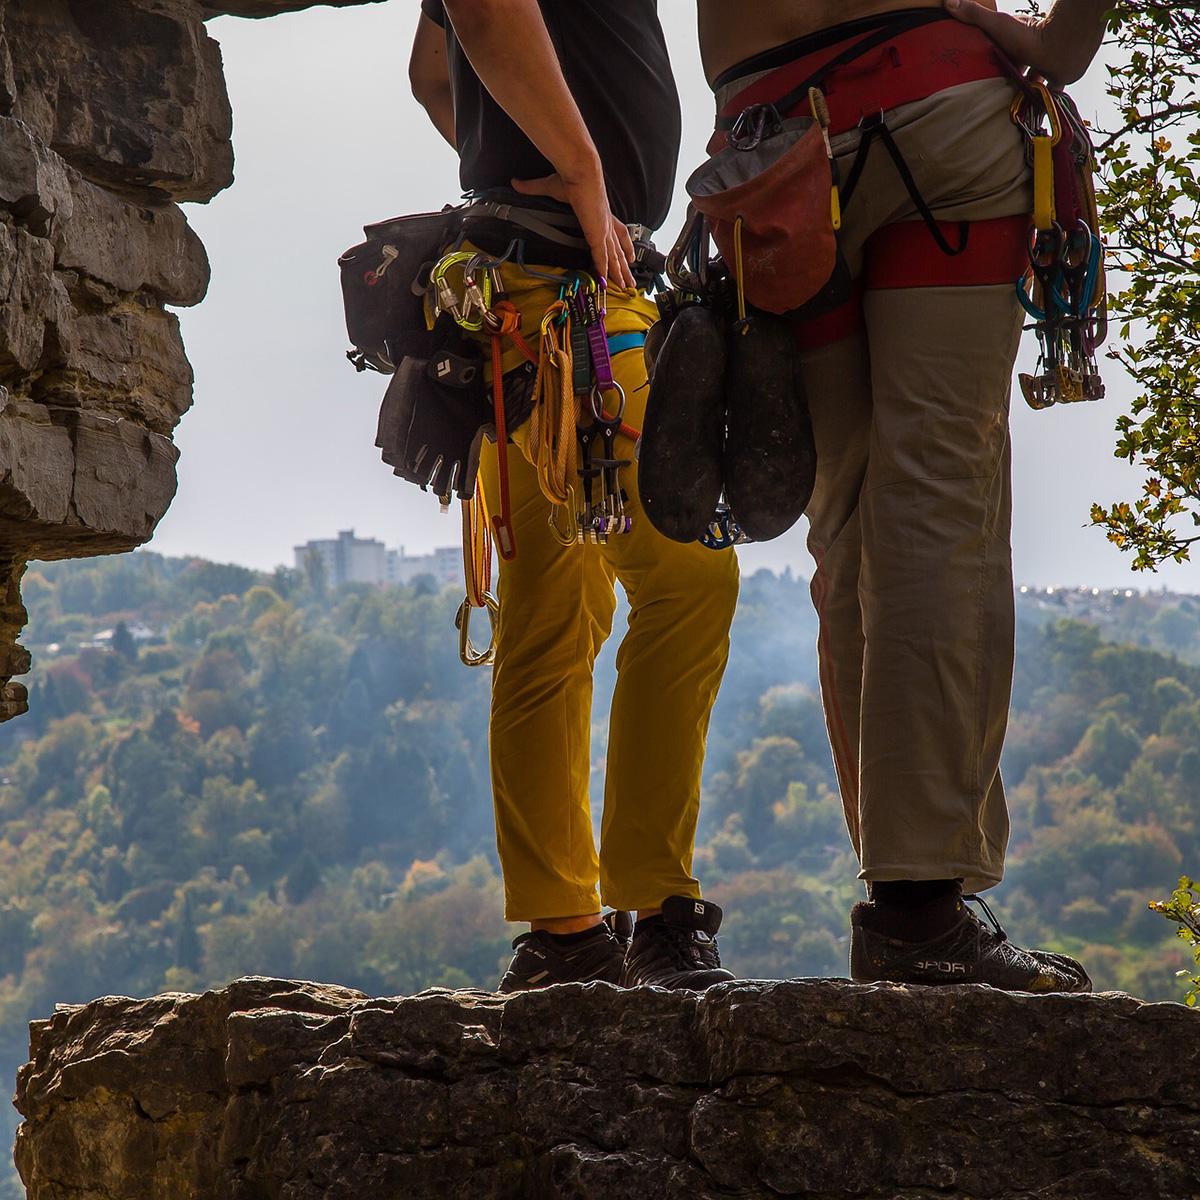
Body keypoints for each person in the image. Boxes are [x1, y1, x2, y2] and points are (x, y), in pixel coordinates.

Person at [692, 0, 1112, 991]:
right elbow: (1069, 39)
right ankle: (919, 905)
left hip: (769, 152)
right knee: (936, 497)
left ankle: (908, 887)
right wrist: (1059, 47)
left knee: (847, 518)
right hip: (939, 108)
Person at [408, 0, 741, 992]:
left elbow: (434, 72)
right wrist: (587, 177)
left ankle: (563, 934)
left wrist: (546, 174)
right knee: (686, 580)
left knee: (559, 609)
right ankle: (652, 914)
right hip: (569, 292)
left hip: (539, 285)